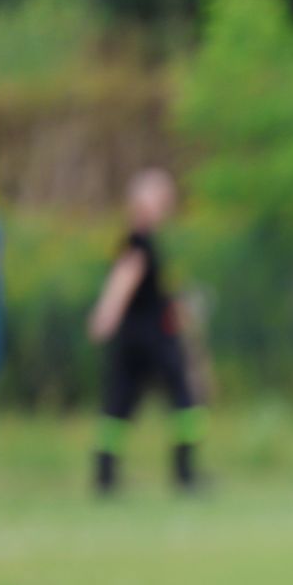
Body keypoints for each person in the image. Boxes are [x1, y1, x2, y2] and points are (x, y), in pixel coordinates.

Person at [85, 168, 204, 495]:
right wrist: (106, 313)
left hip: (132, 338)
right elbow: (125, 277)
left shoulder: (138, 240)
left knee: (118, 405)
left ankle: (105, 477)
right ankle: (185, 474)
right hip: (153, 339)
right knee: (185, 401)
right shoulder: (139, 241)